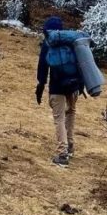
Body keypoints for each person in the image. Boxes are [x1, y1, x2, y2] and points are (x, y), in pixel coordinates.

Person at [36, 16, 83, 166]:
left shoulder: (48, 42)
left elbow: (43, 66)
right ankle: (69, 147)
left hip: (57, 87)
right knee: (71, 114)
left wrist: (41, 85)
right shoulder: (71, 41)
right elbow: (81, 62)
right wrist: (81, 85)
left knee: (59, 118)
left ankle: (62, 155)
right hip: (74, 86)